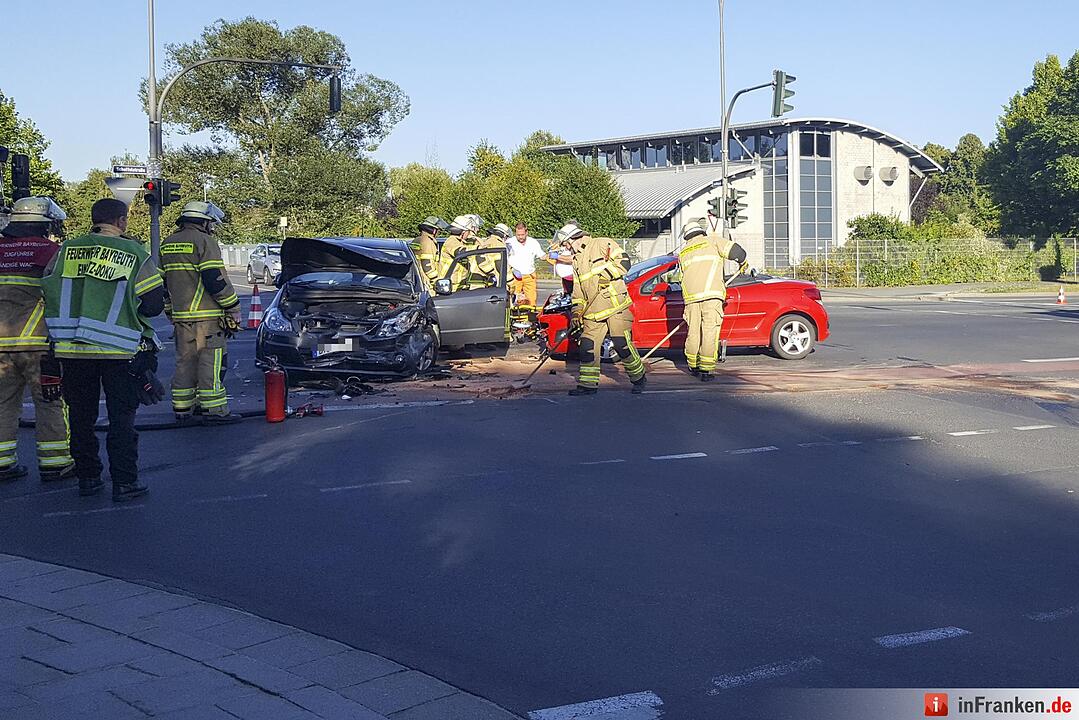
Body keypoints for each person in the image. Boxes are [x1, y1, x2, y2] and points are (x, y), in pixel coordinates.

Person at [41, 198, 165, 500]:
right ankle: (125, 482)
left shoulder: (66, 250)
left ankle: (88, 478)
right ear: (121, 221)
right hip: (119, 350)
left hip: (72, 349)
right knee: (121, 419)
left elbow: (47, 288)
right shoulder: (134, 253)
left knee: (80, 417)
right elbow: (153, 305)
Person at [0, 197, 74, 482]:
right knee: (50, 401)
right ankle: (56, 463)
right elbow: (65, 296)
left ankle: (3, 462)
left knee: (3, 403)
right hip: (38, 345)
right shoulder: (51, 252)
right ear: (44, 224)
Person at [160, 201, 242, 424]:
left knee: (185, 362)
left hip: (181, 317)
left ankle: (183, 409)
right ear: (204, 222)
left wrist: (170, 311)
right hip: (206, 317)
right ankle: (214, 410)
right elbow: (214, 279)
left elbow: (162, 283)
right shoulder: (204, 241)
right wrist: (232, 307)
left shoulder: (167, 243)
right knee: (210, 362)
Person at [558, 222, 646, 396]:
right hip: (592, 312)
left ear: (573, 239)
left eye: (566, 244)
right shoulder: (576, 261)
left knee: (621, 344)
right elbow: (578, 291)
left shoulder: (601, 243)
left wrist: (607, 275)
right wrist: (576, 312)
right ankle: (588, 385)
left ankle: (639, 378)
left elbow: (624, 261)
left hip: (615, 306)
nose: (566, 248)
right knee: (587, 346)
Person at [676, 219, 747, 381]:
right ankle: (706, 370)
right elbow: (738, 252)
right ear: (701, 232)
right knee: (709, 331)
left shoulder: (683, 252)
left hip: (691, 299)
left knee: (693, 332)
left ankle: (693, 365)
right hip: (711, 296)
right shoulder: (713, 241)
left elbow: (680, 278)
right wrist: (743, 263)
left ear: (687, 236)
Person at [440, 215, 498, 291]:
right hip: (448, 285)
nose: (468, 234)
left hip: (458, 285)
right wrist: (478, 248)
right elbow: (460, 251)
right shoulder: (451, 241)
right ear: (463, 232)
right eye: (468, 231)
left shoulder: (460, 242)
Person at [506, 222, 547, 309]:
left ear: (526, 232)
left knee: (531, 300)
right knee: (514, 299)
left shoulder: (533, 242)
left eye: (522, 235)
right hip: (514, 276)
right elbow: (504, 257)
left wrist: (550, 255)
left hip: (529, 275)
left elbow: (542, 255)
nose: (520, 237)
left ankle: (530, 315)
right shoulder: (509, 243)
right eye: (518, 235)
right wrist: (511, 269)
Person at [414, 216, 448, 285]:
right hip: (427, 280)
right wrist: (436, 280)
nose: (438, 234)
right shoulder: (428, 242)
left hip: (417, 277)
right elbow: (427, 264)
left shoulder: (416, 240)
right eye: (438, 231)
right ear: (434, 230)